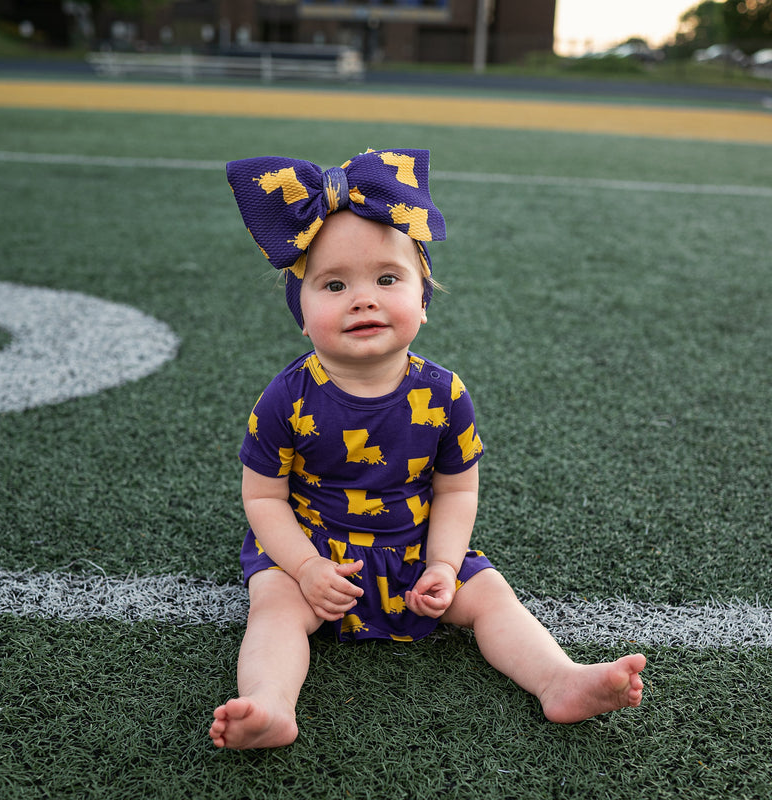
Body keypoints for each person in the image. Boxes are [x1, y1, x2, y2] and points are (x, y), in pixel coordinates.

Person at [210, 149, 645, 750]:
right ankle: (270, 702)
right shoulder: (285, 398)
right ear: (302, 314)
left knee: (491, 595)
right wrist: (307, 568)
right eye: (334, 284)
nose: (363, 298)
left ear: (423, 298)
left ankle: (559, 678)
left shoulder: (444, 392)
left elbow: (456, 487)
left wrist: (442, 563)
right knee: (275, 608)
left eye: (387, 279)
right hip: (314, 550)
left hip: (417, 547)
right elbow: (262, 497)